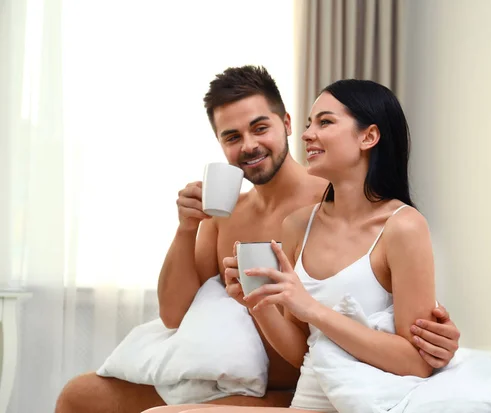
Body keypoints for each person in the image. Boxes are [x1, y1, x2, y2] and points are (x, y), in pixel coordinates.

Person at [55, 67, 460, 413]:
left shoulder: (350, 205)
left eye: (259, 127)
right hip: (239, 376)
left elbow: (400, 320)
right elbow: (175, 316)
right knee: (79, 396)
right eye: (231, 137)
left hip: (298, 386)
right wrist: (186, 228)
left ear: (283, 123)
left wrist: (439, 338)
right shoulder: (241, 214)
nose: (248, 145)